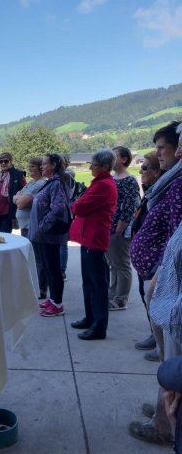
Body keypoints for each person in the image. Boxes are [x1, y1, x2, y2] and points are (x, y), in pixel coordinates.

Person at [128, 121, 182, 446]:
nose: (160, 154)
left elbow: (177, 236)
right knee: (167, 359)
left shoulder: (178, 185)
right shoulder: (171, 181)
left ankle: (164, 426)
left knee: (172, 359)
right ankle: (161, 412)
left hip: (166, 284)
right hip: (159, 280)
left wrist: (159, 276)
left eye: (162, 148)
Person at [69, 149, 118, 340]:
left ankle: (99, 326)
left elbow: (79, 206)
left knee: (97, 285)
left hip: (94, 239)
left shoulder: (103, 185)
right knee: (89, 283)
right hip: (89, 238)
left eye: (94, 164)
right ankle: (90, 318)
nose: (90, 167)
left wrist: (76, 203)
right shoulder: (100, 183)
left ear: (105, 166)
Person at [29, 153, 72, 317]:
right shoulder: (51, 183)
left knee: (53, 269)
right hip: (43, 235)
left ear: (54, 165)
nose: (42, 166)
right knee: (48, 267)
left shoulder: (57, 183)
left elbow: (58, 209)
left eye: (45, 164)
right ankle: (53, 299)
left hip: (49, 235)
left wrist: (41, 227)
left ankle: (58, 304)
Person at [132, 152, 163, 354]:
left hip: (155, 260)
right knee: (146, 297)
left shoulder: (163, 194)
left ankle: (160, 341)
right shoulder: (151, 191)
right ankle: (154, 335)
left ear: (158, 171)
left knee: (155, 298)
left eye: (145, 168)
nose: (141, 171)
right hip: (145, 260)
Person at [106, 146, 140, 310]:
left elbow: (128, 207)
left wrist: (119, 229)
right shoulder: (113, 178)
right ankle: (113, 294)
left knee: (122, 264)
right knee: (113, 263)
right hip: (109, 227)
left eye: (114, 156)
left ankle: (121, 299)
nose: (110, 159)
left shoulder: (129, 180)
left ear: (124, 159)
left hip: (119, 229)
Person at [13, 157, 47, 299]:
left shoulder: (40, 184)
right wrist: (19, 197)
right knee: (29, 256)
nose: (30, 168)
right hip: (25, 225)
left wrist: (19, 197)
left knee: (37, 257)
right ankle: (33, 285)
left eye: (33, 166)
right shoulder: (31, 183)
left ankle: (41, 288)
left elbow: (21, 203)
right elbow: (15, 197)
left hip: (32, 226)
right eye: (30, 166)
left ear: (40, 168)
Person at [0, 152, 26, 233]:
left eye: (6, 161)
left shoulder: (18, 174)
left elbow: (25, 190)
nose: (3, 163)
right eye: (1, 161)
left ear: (11, 161)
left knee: (4, 235)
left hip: (8, 212)